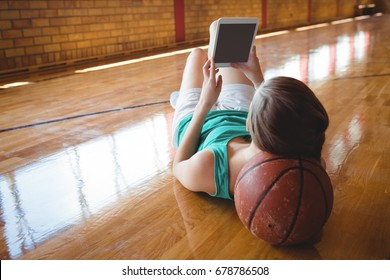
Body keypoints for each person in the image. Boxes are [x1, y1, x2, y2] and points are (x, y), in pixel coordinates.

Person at [171, 20, 329, 200]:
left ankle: (188, 99)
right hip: (239, 112)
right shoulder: (300, 155)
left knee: (197, 55)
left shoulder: (208, 165)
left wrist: (205, 104)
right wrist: (256, 77)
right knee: (219, 30)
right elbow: (281, 117)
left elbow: (178, 166)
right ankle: (200, 95)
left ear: (250, 124)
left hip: (196, 121)